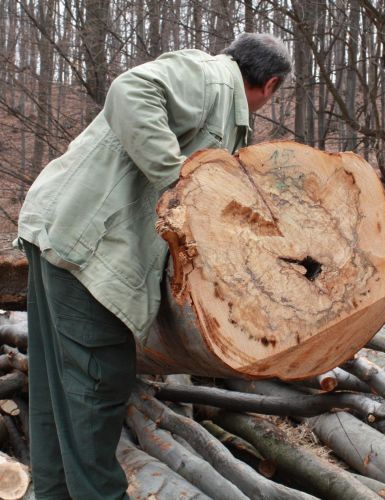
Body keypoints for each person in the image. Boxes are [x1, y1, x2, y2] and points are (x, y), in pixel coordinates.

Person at [16, 33, 292, 499]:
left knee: (55, 387)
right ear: (270, 83)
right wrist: (177, 184)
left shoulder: (220, 98)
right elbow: (132, 91)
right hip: (88, 247)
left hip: (62, 231)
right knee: (97, 384)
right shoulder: (211, 78)